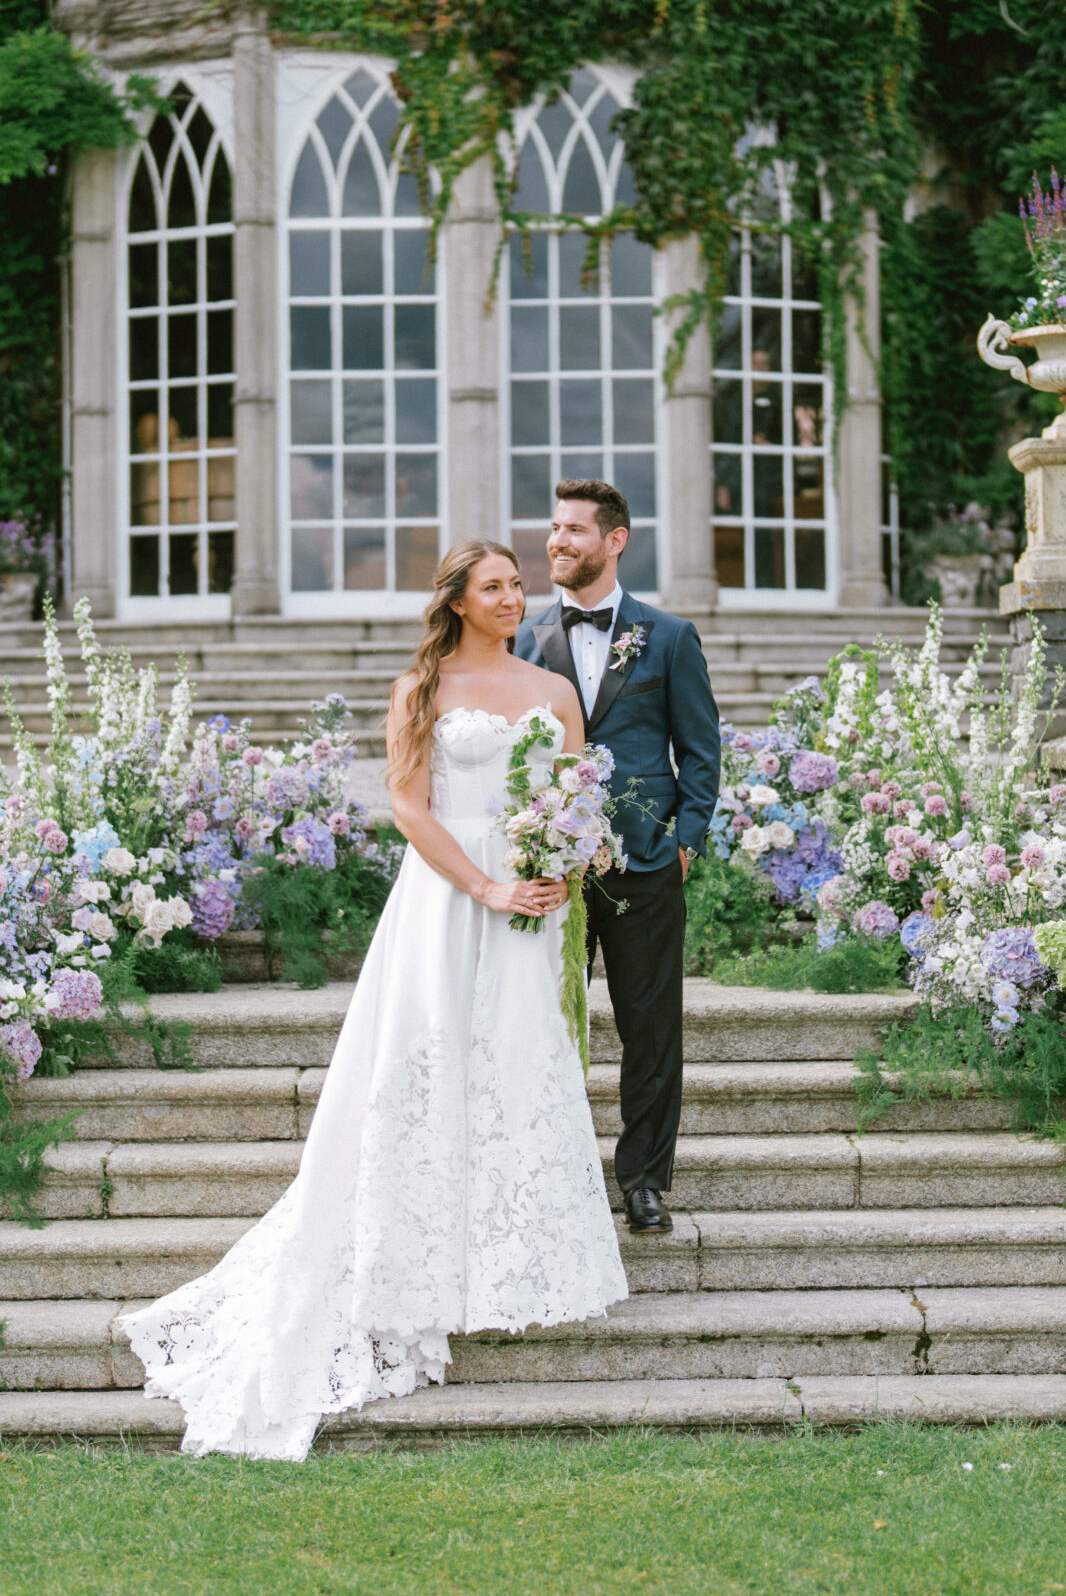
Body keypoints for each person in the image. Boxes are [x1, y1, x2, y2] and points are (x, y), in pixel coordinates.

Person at [120, 538, 628, 1459]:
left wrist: (564, 856)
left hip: (534, 906)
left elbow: (575, 791)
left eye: (517, 584)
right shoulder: (419, 690)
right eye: (494, 586)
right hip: (448, 900)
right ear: (458, 601)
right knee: (426, 1066)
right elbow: (410, 807)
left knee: (520, 1065)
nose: (513, 597)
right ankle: (414, 1265)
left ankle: (515, 1273)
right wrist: (486, 883)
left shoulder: (556, 692)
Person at [514, 478, 723, 1233]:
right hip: (551, 872)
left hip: (645, 867)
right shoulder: (524, 637)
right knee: (544, 1026)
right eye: (554, 528)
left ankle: (643, 1181)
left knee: (651, 1029)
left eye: (574, 529)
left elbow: (701, 751)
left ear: (615, 540)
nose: (557, 541)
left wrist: (684, 844)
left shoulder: (669, 637)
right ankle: (552, 1174)